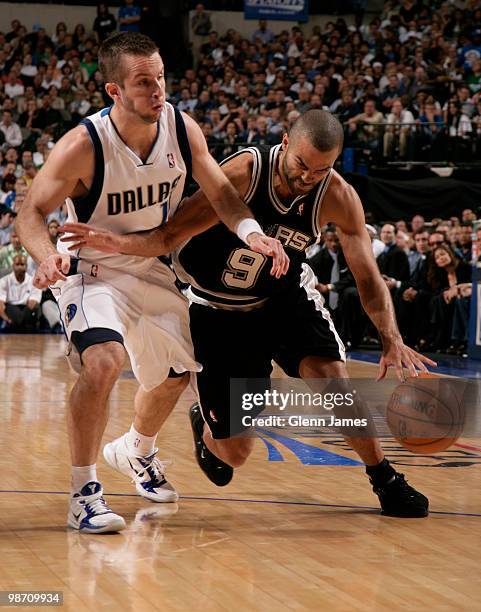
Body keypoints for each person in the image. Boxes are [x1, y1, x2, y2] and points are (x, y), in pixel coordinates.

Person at [61, 110, 435, 518]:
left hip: (282, 299)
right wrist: (116, 244)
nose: (307, 178)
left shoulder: (338, 196)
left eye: (321, 169)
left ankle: (384, 478)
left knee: (333, 380)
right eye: (301, 166)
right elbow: (169, 235)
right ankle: (201, 426)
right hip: (215, 309)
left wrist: (391, 338)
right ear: (285, 143)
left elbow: (367, 278)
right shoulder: (243, 172)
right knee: (234, 455)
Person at [17, 32, 287, 534]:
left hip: (149, 266)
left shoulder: (182, 130)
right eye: (144, 82)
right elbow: (30, 213)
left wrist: (254, 234)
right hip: (91, 270)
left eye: (161, 78)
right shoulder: (83, 146)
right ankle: (83, 493)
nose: (157, 90)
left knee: (176, 375)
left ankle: (135, 451)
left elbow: (223, 194)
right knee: (103, 363)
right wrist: (45, 255)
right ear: (114, 92)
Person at [0, 254, 41, 332]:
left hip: (27, 309)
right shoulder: (4, 281)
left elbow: (33, 302)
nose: (19, 267)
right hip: (10, 308)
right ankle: (23, 326)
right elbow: (1, 304)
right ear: (13, 266)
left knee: (36, 308)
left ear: (26, 266)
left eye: (22, 264)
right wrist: (6, 319)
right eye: (17, 264)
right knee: (9, 309)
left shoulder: (34, 281)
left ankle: (16, 326)